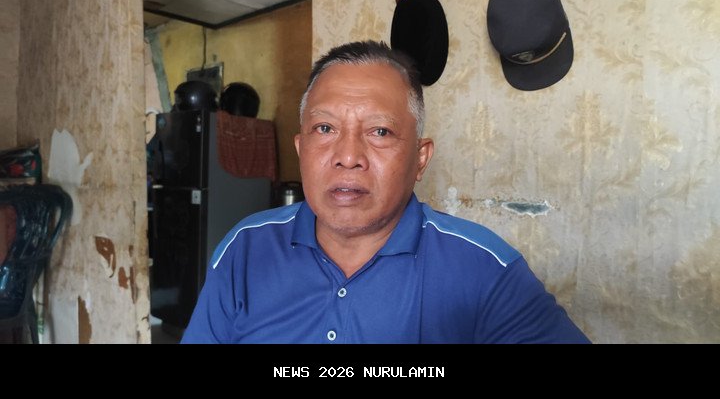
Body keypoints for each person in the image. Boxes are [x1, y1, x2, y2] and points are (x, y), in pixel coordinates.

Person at [181, 40, 590, 344]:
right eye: (325, 128)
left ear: (420, 159)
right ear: (301, 149)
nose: (348, 157)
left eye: (379, 131)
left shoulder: (484, 270)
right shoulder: (245, 248)